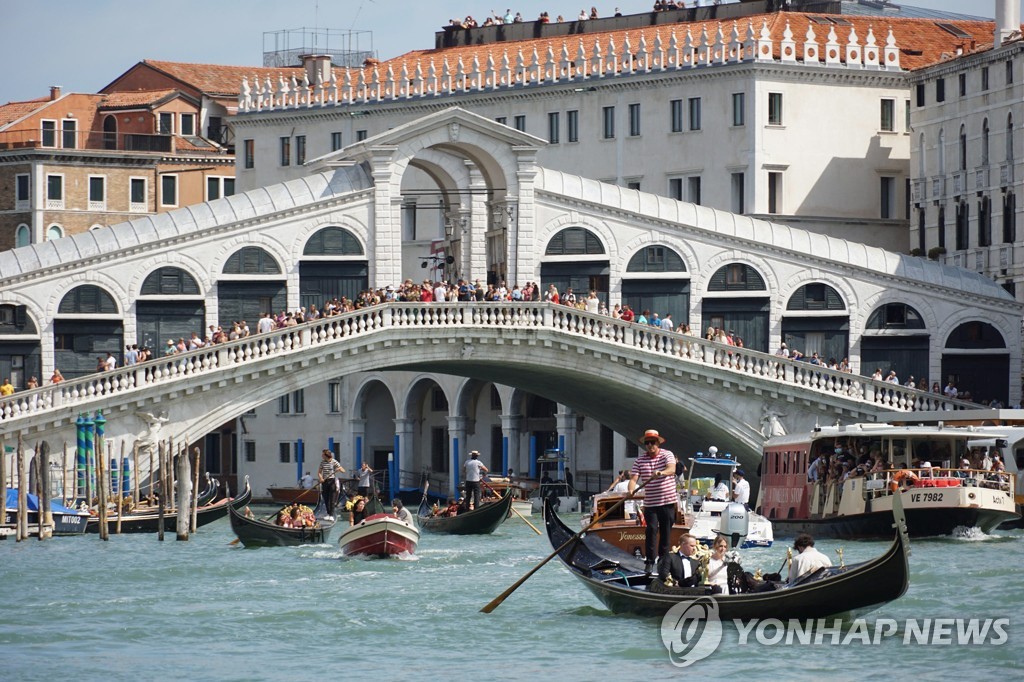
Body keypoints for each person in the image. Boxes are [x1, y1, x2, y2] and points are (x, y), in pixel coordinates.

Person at [630, 428, 677, 577]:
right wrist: (631, 490)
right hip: (650, 503)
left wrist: (661, 472)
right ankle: (650, 562)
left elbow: (671, 469)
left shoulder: (667, 454)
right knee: (651, 530)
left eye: (652, 442)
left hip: (668, 501)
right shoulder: (640, 460)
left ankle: (663, 562)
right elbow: (633, 479)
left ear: (658, 443)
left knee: (666, 532)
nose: (650, 445)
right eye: (647, 443)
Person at [318, 449, 346, 521]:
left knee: (332, 499)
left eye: (322, 454)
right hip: (325, 481)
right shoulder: (322, 462)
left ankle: (331, 515)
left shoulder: (334, 461)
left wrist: (339, 469)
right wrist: (321, 478)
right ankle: (328, 513)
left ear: (326, 455)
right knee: (326, 498)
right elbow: (319, 472)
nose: (321, 455)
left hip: (332, 481)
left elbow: (343, 470)